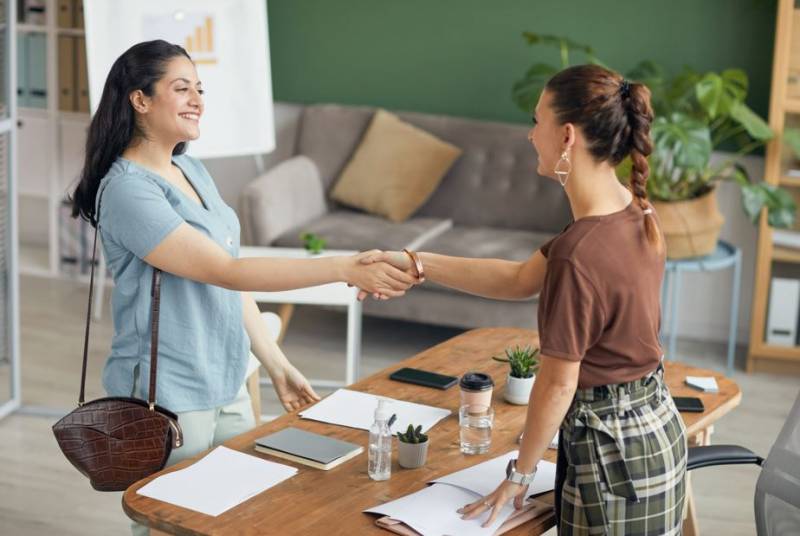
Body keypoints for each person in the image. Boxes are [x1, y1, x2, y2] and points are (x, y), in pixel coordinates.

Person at [69, 40, 414, 535]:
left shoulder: (190, 168)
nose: (197, 100)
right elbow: (227, 272)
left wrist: (276, 363)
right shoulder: (127, 190)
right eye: (181, 88)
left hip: (225, 379)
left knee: (237, 515)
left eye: (200, 89)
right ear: (139, 100)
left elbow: (230, 279)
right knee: (169, 523)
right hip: (166, 393)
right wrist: (343, 267)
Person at [362, 64, 687, 535]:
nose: (531, 135)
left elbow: (557, 385)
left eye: (538, 121)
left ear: (568, 136)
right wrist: (419, 263)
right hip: (650, 436)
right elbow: (518, 279)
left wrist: (518, 477)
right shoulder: (628, 209)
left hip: (613, 463)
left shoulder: (582, 252)